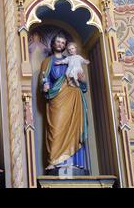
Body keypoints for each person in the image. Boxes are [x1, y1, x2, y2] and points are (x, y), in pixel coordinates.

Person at [40, 33, 89, 174]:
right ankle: (54, 161)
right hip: (57, 98)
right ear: (53, 44)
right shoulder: (48, 61)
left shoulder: (73, 60)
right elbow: (44, 78)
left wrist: (82, 80)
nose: (60, 44)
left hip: (74, 96)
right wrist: (45, 85)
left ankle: (74, 163)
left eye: (63, 42)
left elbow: (83, 85)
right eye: (58, 42)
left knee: (74, 128)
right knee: (56, 129)